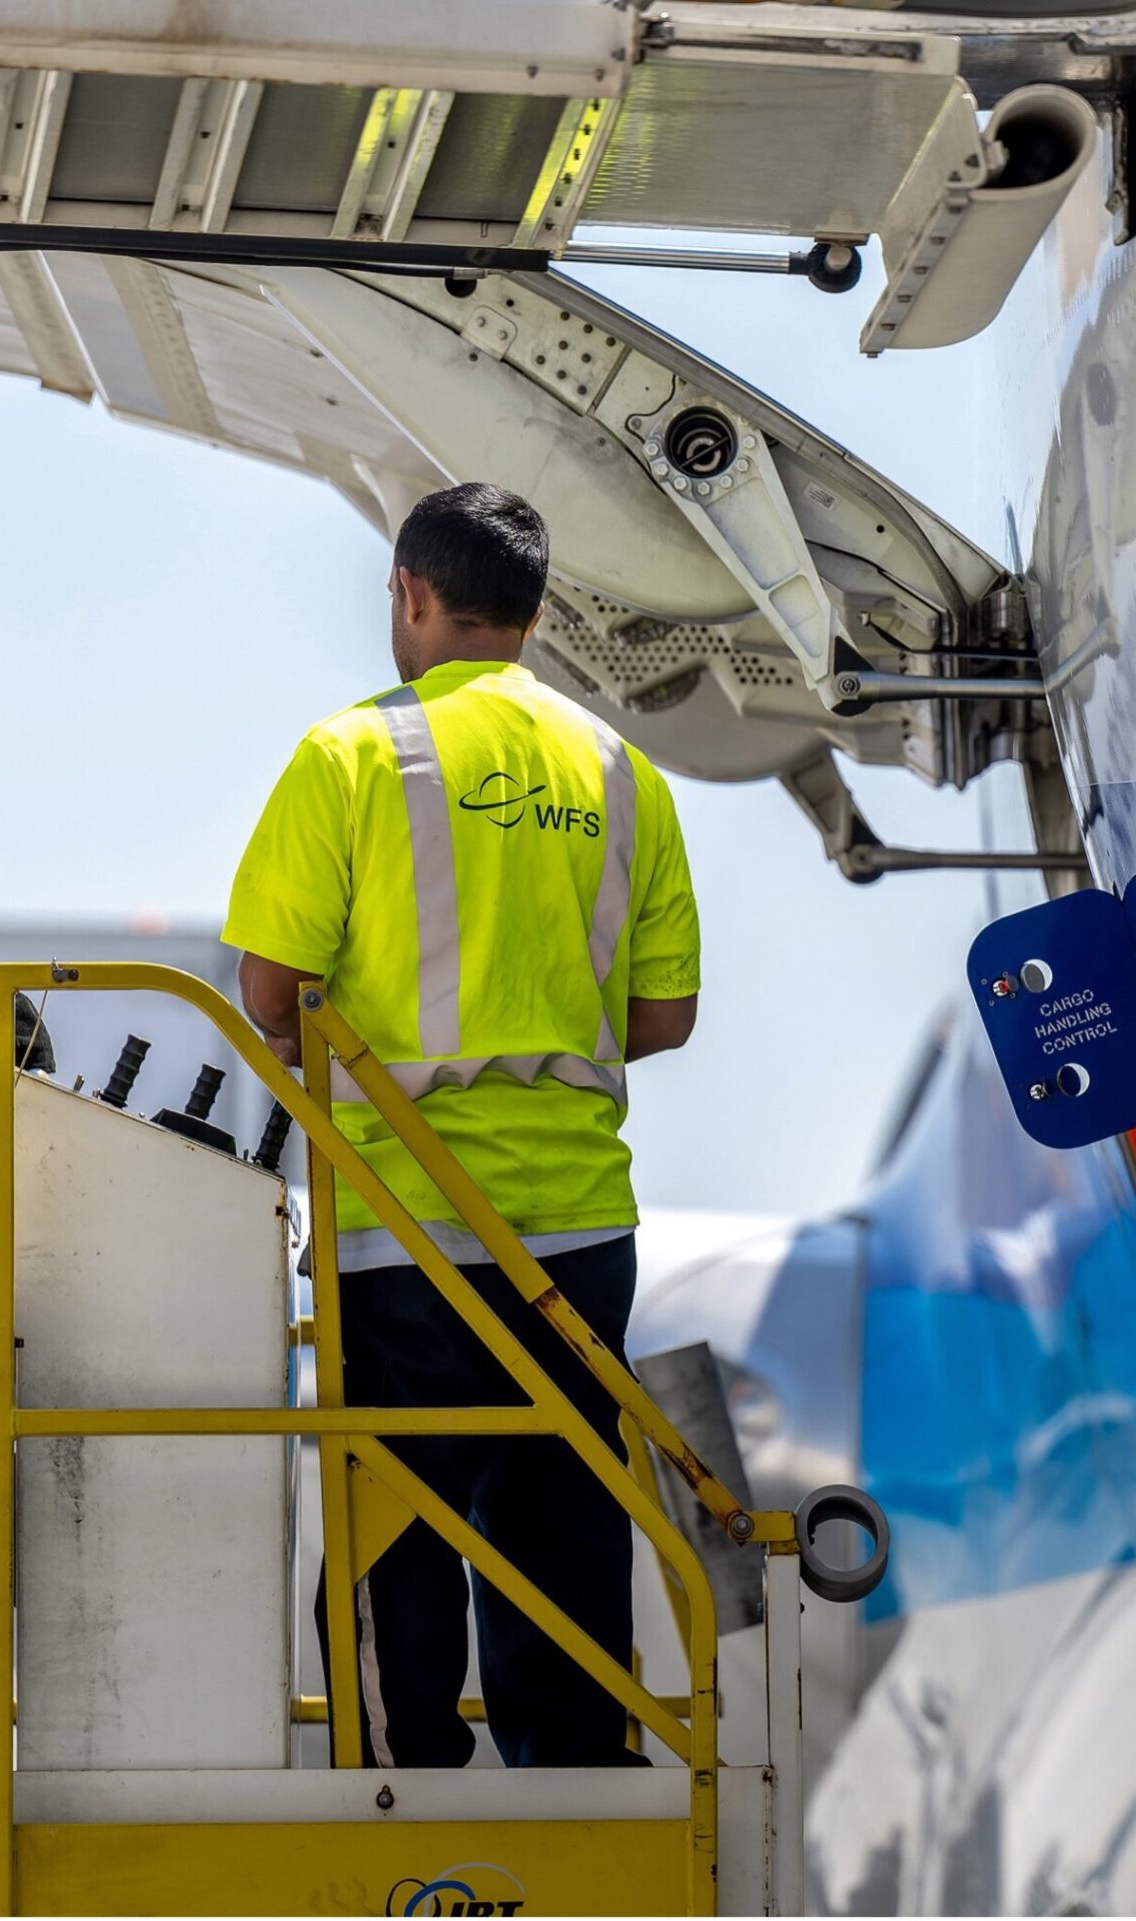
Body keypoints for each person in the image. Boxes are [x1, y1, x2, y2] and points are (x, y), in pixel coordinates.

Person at [224, 481, 701, 1768]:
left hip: (408, 1228)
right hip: (581, 1227)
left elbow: (269, 993)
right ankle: (576, 1770)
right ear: (538, 615)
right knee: (564, 1504)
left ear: (410, 596)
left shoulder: (350, 757)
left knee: (399, 1512)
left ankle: (407, 1780)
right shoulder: (623, 773)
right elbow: (662, 1019)